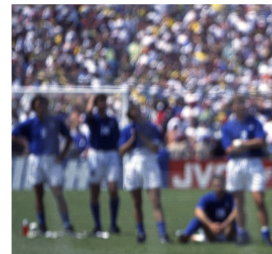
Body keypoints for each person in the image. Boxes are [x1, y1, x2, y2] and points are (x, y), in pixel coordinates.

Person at [11, 95, 75, 233]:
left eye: (43, 104)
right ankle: (42, 225)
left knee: (58, 192)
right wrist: (25, 144)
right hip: (36, 159)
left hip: (52, 159)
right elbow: (13, 134)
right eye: (38, 104)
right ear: (34, 107)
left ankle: (66, 224)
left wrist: (62, 155)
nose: (41, 107)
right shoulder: (30, 123)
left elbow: (69, 137)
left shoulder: (55, 121)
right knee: (38, 194)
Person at [221, 96, 272, 246]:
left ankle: (265, 233)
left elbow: (261, 141)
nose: (240, 107)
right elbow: (228, 148)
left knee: (259, 200)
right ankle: (242, 232)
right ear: (232, 107)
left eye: (242, 104)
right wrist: (244, 146)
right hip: (235, 163)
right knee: (238, 201)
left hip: (253, 162)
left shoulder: (254, 122)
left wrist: (241, 144)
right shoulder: (228, 126)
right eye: (237, 104)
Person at [118, 102, 171, 243]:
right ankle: (141, 233)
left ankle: (162, 233)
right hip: (133, 162)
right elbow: (121, 151)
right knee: (136, 201)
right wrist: (132, 140)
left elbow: (155, 148)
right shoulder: (126, 130)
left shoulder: (151, 128)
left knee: (155, 200)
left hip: (149, 161)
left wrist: (141, 136)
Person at [82, 93, 121, 235]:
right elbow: (88, 113)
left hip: (111, 154)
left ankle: (113, 224)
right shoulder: (93, 120)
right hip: (96, 155)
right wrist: (92, 99)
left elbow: (117, 138)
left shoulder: (112, 121)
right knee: (95, 191)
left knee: (113, 189)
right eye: (100, 101)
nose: (102, 103)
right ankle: (97, 225)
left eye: (104, 101)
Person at [176, 173, 237, 242]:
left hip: (227, 230)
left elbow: (236, 211)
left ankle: (241, 234)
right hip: (211, 231)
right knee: (198, 219)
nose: (218, 187)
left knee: (238, 218)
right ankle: (185, 235)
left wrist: (224, 225)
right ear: (212, 186)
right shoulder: (206, 198)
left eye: (220, 185)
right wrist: (210, 225)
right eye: (215, 185)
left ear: (224, 185)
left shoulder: (231, 197)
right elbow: (198, 211)